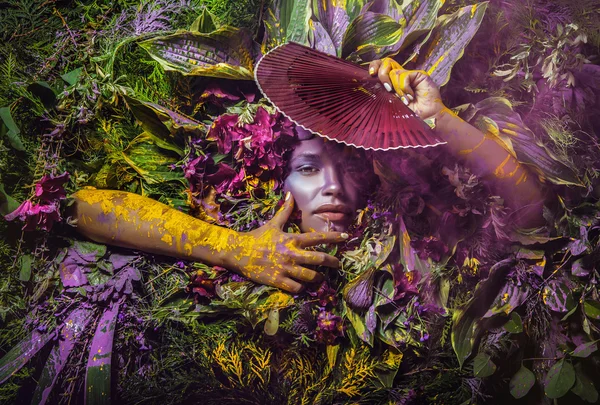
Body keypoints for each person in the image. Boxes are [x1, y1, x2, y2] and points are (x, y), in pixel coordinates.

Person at [71, 59, 547, 293]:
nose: (334, 186)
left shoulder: (409, 247)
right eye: (307, 168)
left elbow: (530, 210)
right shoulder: (244, 220)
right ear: (280, 181)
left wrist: (437, 117)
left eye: (349, 170)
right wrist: (233, 248)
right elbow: (85, 207)